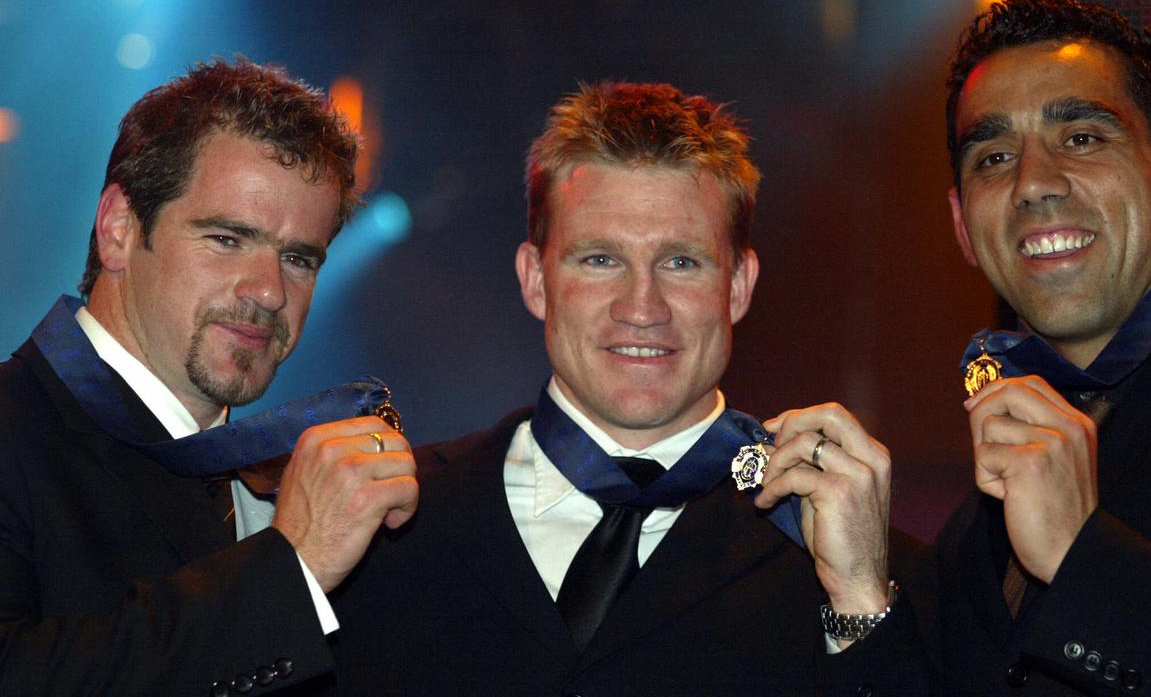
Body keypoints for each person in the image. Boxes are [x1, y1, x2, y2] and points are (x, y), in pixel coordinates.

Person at [327, 81, 929, 694]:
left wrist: (858, 604)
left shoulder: (852, 555)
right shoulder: (389, 520)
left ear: (740, 285)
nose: (642, 308)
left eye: (680, 262)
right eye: (600, 259)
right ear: (535, 280)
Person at [0, 58, 418, 696]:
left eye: (299, 258)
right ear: (118, 229)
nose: (270, 291)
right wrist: (291, 568)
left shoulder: (283, 479)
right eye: (227, 238)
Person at [923, 0, 1151, 694]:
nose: (1033, 184)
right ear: (964, 227)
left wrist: (1084, 560)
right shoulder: (968, 528)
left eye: (1082, 138)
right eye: (993, 156)